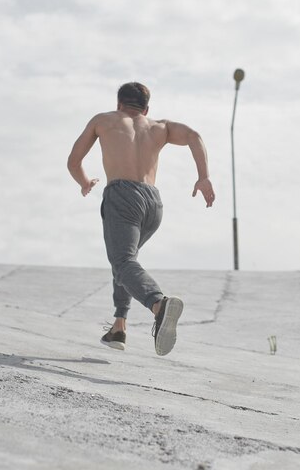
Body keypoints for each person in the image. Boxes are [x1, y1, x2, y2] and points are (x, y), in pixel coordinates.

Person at [67, 82, 215, 356]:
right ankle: (119, 326)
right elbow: (194, 136)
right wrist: (203, 176)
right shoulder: (160, 126)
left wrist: (85, 182)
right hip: (153, 203)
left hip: (122, 196)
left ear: (118, 104)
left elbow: (73, 161)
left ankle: (159, 305)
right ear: (146, 108)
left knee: (123, 262)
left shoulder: (104, 120)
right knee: (125, 260)